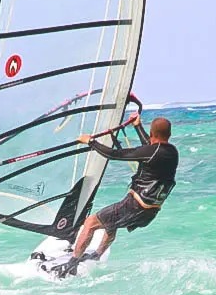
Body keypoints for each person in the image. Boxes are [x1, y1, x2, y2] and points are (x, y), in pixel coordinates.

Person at [50, 98, 179, 277]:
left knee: (91, 223)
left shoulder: (151, 151)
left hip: (135, 205)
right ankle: (96, 255)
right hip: (150, 212)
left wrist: (90, 141)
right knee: (111, 223)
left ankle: (71, 265)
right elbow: (150, 148)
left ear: (152, 133)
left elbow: (114, 154)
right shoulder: (172, 152)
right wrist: (137, 126)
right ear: (169, 134)